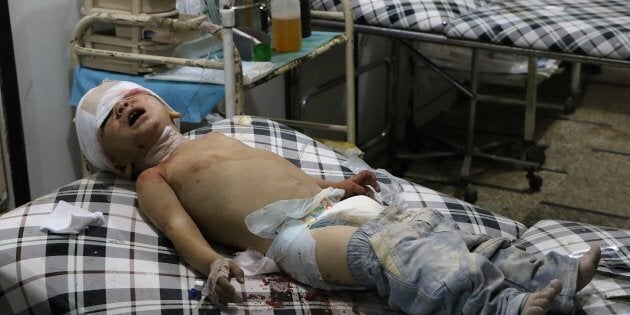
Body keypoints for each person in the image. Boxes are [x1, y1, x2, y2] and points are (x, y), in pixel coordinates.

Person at [74, 80, 601, 315]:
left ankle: (547, 273)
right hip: (296, 236)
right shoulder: (153, 178)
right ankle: (501, 307)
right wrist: (212, 263)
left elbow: (283, 175)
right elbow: (176, 228)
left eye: (128, 98)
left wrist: (337, 187)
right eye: (109, 121)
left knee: (450, 234)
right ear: (118, 162)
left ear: (171, 110)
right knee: (397, 256)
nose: (121, 109)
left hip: (330, 205)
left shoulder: (218, 135)